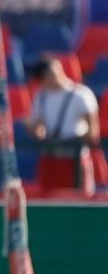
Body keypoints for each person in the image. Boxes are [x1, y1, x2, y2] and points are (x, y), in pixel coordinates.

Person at [26, 56, 100, 195]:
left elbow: (93, 131)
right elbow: (37, 125)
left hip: (74, 159)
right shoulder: (41, 96)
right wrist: (34, 129)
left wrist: (77, 140)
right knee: (48, 201)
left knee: (78, 201)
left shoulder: (81, 95)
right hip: (50, 158)